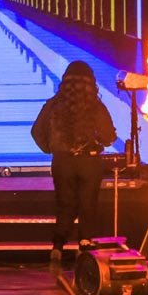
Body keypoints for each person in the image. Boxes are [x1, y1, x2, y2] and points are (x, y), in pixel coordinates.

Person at [31, 61, 117, 267]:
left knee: (65, 204)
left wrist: (51, 149)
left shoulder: (53, 105)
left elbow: (36, 131)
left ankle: (58, 245)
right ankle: (85, 245)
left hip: (62, 162)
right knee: (88, 204)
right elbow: (109, 137)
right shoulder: (96, 106)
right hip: (89, 162)